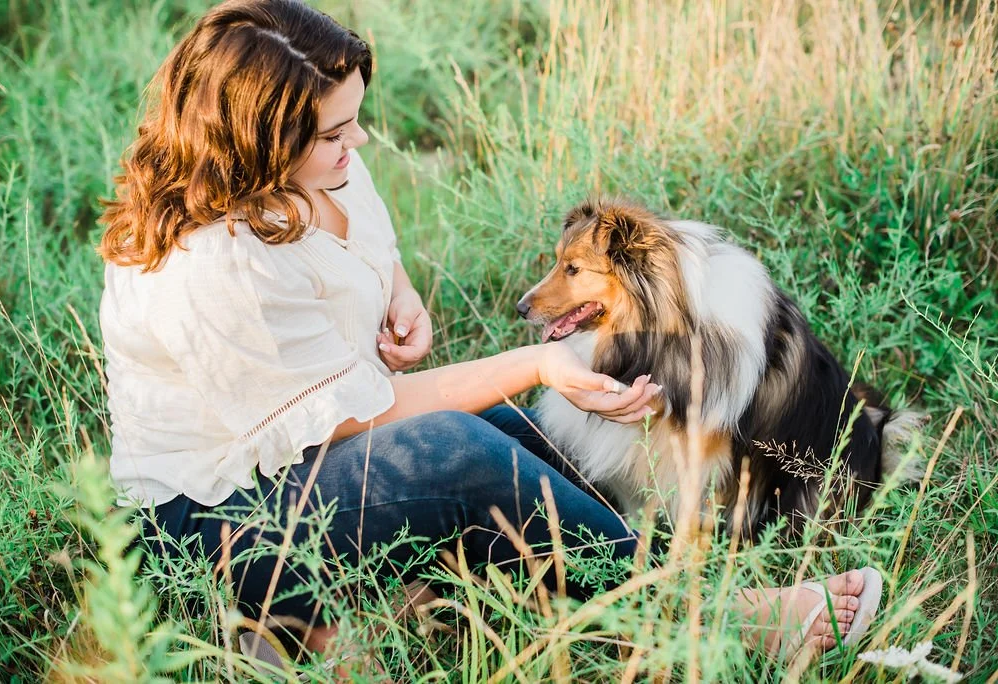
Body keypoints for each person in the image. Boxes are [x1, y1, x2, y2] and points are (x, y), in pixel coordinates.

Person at [98, 0, 879, 674]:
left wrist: (402, 301)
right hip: (219, 522)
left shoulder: (324, 169)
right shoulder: (213, 265)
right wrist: (540, 360)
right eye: (337, 132)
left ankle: (363, 612)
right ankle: (719, 620)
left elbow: (375, 255)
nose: (359, 143)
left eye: (355, 118)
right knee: (459, 452)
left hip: (309, 466)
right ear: (259, 142)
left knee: (512, 435)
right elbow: (367, 416)